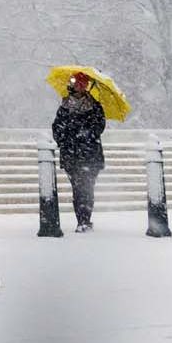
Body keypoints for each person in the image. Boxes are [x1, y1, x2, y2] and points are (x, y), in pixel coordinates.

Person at [52, 72, 107, 232]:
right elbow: (57, 129)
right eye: (78, 83)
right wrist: (67, 137)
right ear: (73, 84)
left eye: (83, 83)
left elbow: (99, 127)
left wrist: (85, 133)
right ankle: (81, 220)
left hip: (90, 154)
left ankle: (85, 219)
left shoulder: (95, 106)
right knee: (77, 189)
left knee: (88, 187)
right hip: (71, 155)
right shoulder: (64, 106)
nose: (80, 86)